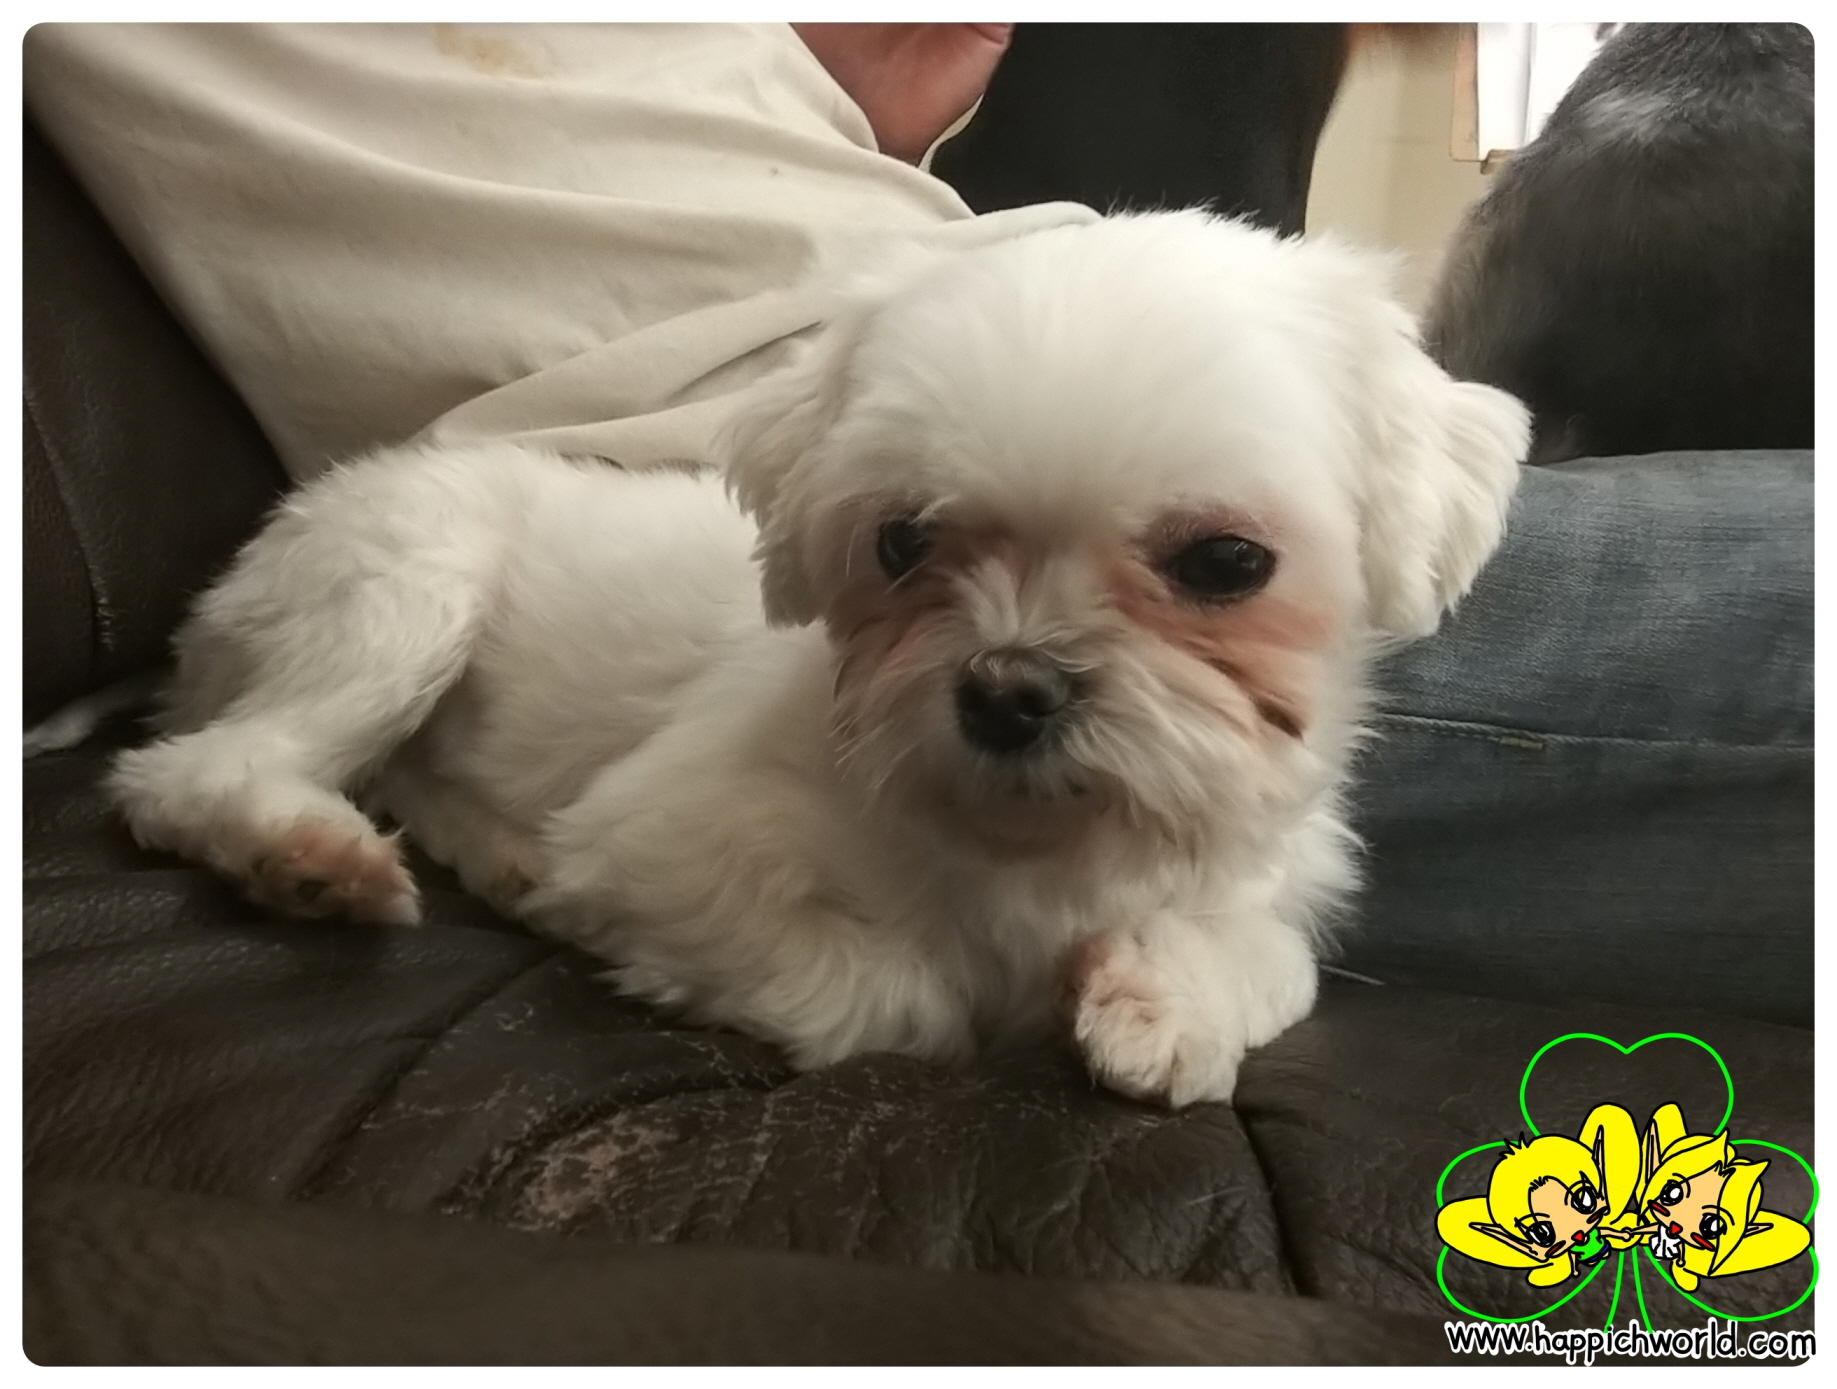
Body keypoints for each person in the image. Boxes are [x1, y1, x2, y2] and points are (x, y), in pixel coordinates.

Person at [22, 22, 1811, 1026]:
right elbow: (655, 853)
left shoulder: (815, 113)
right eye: (909, 552)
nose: (1017, 663)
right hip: (575, 494)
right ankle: (243, 768)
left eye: (1209, 568)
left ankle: (419, 787)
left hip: (941, 354)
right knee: (415, 569)